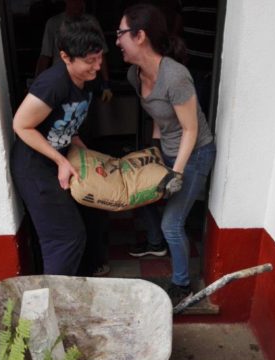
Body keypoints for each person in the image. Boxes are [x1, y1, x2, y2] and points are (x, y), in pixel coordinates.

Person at [116, 4, 216, 306]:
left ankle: (182, 285)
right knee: (138, 192)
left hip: (195, 154)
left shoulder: (176, 77)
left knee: (172, 223)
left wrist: (176, 172)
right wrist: (154, 155)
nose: (117, 40)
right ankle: (155, 244)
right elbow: (160, 119)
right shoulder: (135, 76)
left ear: (140, 36)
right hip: (169, 151)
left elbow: (190, 129)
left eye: (121, 33)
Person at [11, 16, 105, 276]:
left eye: (99, 58)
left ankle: (75, 286)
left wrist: (89, 156)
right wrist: (62, 161)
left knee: (89, 219)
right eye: (89, 61)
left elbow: (67, 126)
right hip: (35, 168)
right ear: (65, 57)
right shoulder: (53, 84)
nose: (97, 67)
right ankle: (52, 303)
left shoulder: (88, 80)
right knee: (64, 237)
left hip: (57, 161)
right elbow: (21, 125)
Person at [35, 0, 113, 103]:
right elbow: (45, 56)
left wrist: (106, 84)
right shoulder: (53, 23)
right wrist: (36, 85)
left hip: (86, 80)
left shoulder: (91, 22)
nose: (78, 3)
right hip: (61, 80)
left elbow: (101, 52)